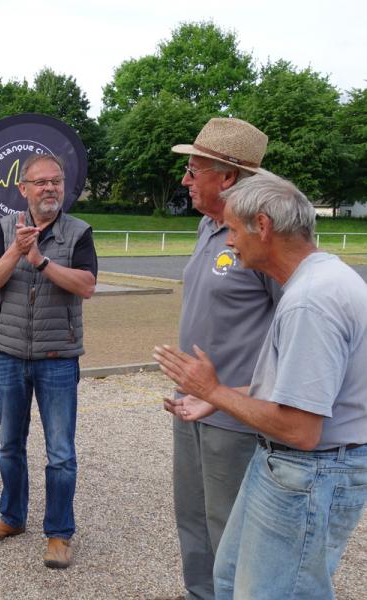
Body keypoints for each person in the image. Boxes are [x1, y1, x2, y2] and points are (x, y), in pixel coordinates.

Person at [154, 174, 367, 599]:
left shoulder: (311, 302)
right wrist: (220, 399)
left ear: (264, 227)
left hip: (308, 472)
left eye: (233, 230)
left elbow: (300, 430)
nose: (229, 241)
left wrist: (214, 391)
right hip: (287, 467)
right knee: (231, 579)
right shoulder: (313, 282)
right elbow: (295, 391)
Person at [166, 117, 282, 599]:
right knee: (192, 516)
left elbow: (292, 327)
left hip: (233, 413)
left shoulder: (262, 238)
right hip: (191, 403)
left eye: (194, 171)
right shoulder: (209, 227)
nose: (185, 180)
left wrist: (240, 394)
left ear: (229, 177)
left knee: (231, 527)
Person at [0, 153, 97, 569]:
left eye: (56, 181)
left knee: (60, 452)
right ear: (23, 188)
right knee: (9, 446)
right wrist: (16, 249)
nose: (50, 189)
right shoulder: (5, 228)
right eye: (41, 182)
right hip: (10, 354)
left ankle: (59, 533)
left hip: (58, 358)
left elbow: (86, 286)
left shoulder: (78, 232)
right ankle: (12, 518)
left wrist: (41, 261)